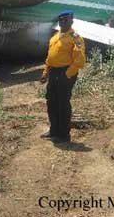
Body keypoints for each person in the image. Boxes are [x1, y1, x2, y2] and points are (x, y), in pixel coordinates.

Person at [40, 10, 86, 143]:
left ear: (72, 20)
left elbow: (80, 60)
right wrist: (45, 73)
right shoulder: (55, 37)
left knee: (63, 103)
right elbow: (50, 58)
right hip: (53, 72)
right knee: (51, 101)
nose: (63, 22)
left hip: (65, 73)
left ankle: (64, 135)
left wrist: (67, 75)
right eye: (61, 20)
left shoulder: (76, 37)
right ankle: (54, 130)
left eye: (66, 19)